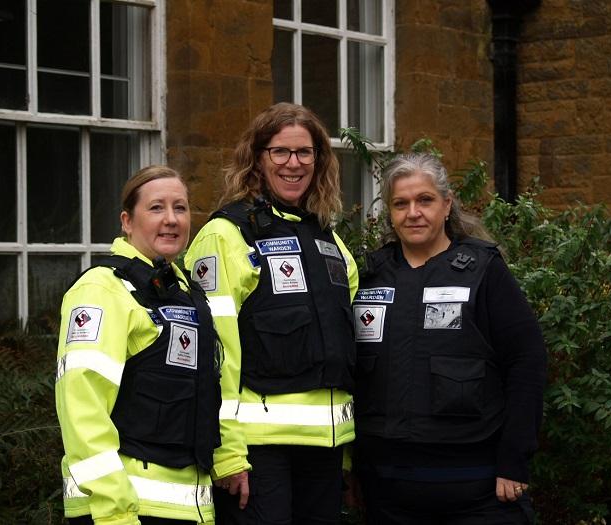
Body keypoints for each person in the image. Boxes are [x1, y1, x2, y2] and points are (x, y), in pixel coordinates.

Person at [184, 102, 358, 525]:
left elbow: (347, 351)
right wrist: (227, 453)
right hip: (258, 452)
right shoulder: (226, 234)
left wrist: (350, 456)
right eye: (280, 152)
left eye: (305, 152)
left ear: (319, 160)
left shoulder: (329, 241)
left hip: (327, 450)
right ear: (257, 159)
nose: (293, 163)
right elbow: (211, 354)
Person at [352, 153, 547, 524]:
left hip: (478, 492)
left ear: (446, 204)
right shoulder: (369, 276)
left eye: (424, 200)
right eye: (400, 203)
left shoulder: (483, 270)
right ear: (390, 213)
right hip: (388, 493)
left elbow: (527, 362)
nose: (413, 212)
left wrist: (514, 460)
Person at [55, 165, 221, 525]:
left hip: (186, 510)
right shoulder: (102, 289)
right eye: (157, 208)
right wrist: (114, 511)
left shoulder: (186, 293)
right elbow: (83, 408)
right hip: (120, 511)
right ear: (127, 221)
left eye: (180, 207)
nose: (172, 219)